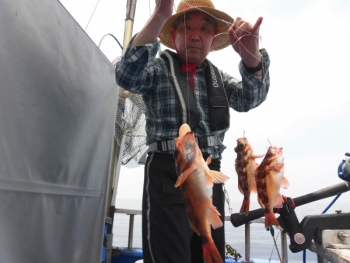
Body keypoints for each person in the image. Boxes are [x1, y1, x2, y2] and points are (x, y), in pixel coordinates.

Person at [115, 0, 270, 262]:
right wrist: (162, 13)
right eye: (186, 27)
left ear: (213, 39)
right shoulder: (159, 68)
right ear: (173, 35)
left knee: (208, 251)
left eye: (205, 29)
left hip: (209, 177)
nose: (195, 35)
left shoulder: (218, 78)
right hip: (168, 173)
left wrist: (251, 56)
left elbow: (251, 97)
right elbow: (127, 75)